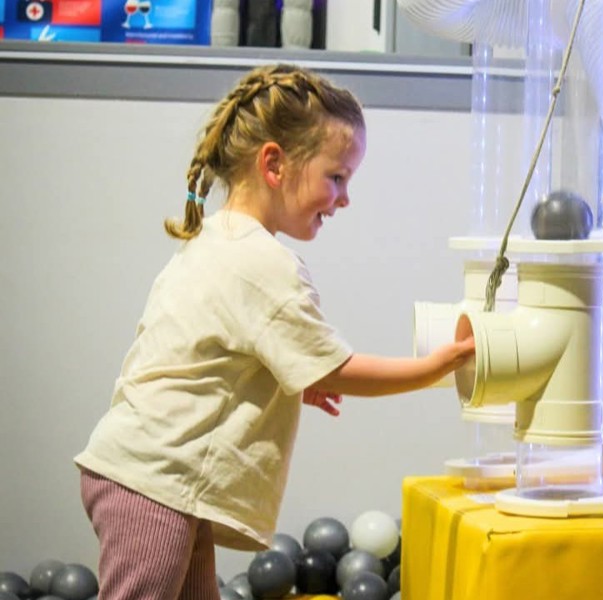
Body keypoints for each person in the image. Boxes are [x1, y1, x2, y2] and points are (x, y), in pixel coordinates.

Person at [74, 63, 474, 600]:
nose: (345, 198)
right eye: (337, 177)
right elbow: (340, 368)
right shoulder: (262, 263)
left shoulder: (217, 240)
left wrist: (285, 380)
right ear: (274, 164)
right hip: (155, 480)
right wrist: (435, 366)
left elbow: (204, 354)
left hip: (151, 475)